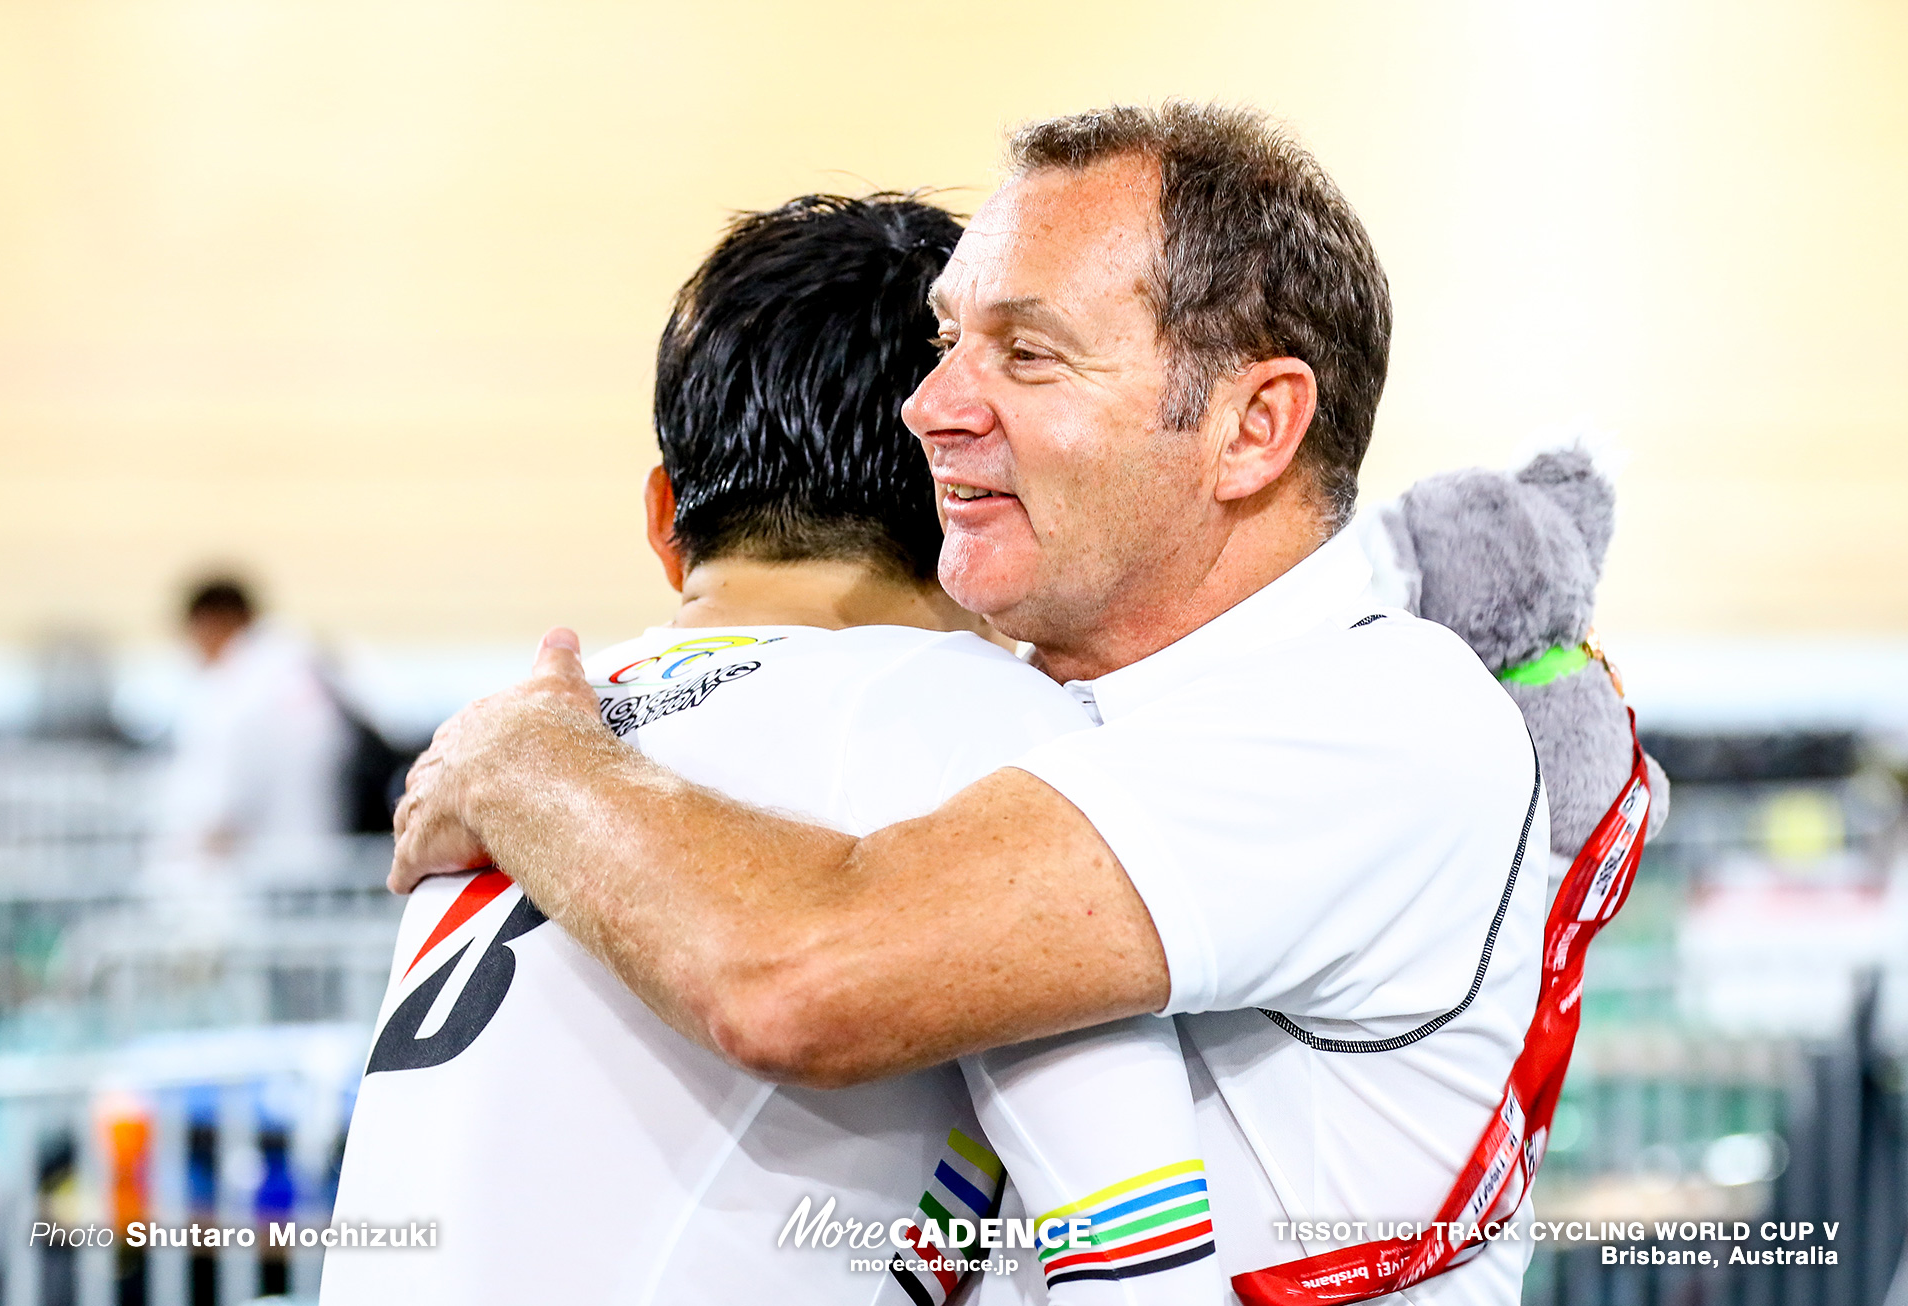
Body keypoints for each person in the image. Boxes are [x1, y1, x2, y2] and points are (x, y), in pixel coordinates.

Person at [391, 104, 1548, 1305]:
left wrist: (520, 758)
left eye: (1026, 352)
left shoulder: (1374, 715)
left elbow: (801, 975)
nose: (928, 404)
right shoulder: (999, 709)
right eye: (947, 340)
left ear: (1251, 427)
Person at [326, 194, 1220, 1305]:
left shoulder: (522, 734)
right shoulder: (975, 716)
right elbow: (1140, 1248)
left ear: (663, 516)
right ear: (976, 489)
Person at [150, 577, 350, 891]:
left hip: (265, 872)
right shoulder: (302, 666)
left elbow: (224, 801)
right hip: (318, 853)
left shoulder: (242, 691)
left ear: (213, 623)